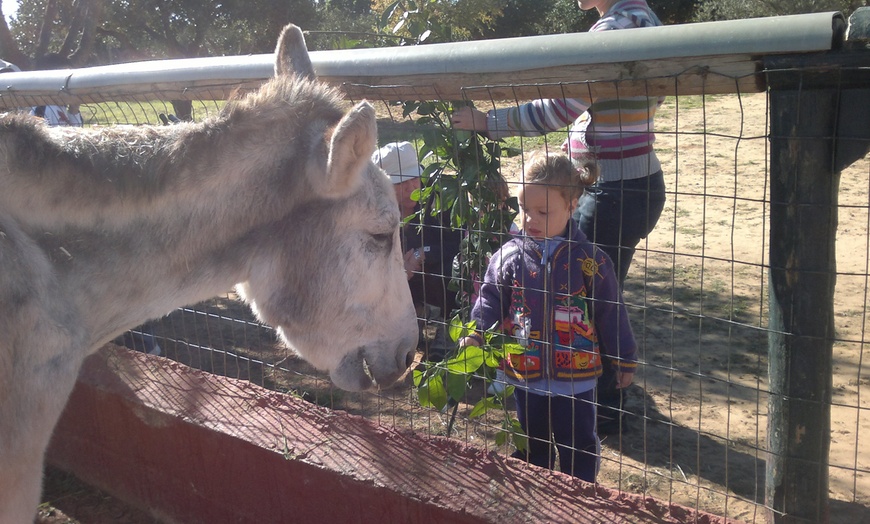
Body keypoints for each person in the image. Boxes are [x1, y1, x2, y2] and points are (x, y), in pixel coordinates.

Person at [451, 0, 664, 433]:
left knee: (587, 289)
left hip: (614, 192)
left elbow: (557, 109)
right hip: (637, 180)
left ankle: (596, 408)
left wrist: (486, 123)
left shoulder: (612, 31)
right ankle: (593, 393)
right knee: (596, 285)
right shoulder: (646, 19)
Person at [458, 153, 637, 482]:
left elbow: (610, 310)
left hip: (577, 377)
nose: (529, 219)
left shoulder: (591, 261)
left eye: (543, 212)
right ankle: (535, 496)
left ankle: (578, 497)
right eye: (524, 208)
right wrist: (477, 331)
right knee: (530, 445)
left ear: (572, 205)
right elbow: (490, 296)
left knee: (578, 444)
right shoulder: (509, 256)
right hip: (526, 372)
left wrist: (624, 358)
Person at [373, 141, 463, 363]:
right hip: (399, 276)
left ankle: (448, 325)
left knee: (453, 268)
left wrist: (421, 253)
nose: (412, 188)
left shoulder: (440, 196)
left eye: (415, 178)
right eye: (400, 182)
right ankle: (412, 316)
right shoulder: (373, 206)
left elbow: (459, 242)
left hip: (438, 269)